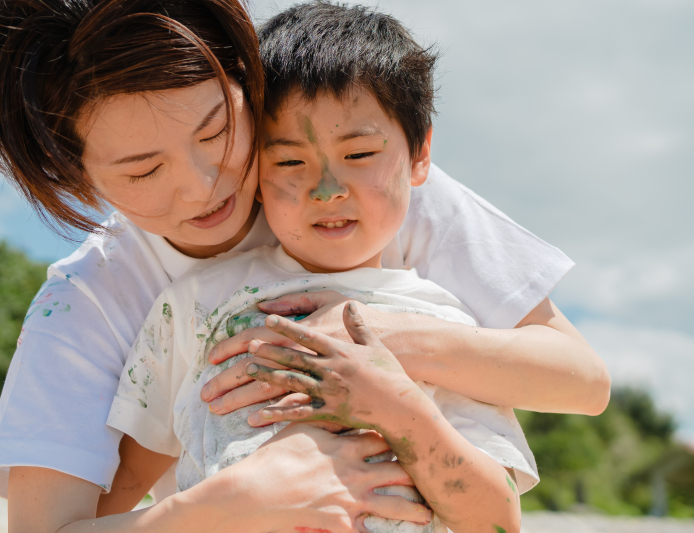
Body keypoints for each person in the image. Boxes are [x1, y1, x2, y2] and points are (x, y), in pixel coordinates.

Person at [0, 0, 610, 531]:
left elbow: (580, 383)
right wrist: (231, 503)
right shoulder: (92, 304)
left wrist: (375, 341)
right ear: (76, 176)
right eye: (144, 170)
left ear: (248, 84)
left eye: (216, 133)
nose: (203, 186)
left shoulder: (372, 185)